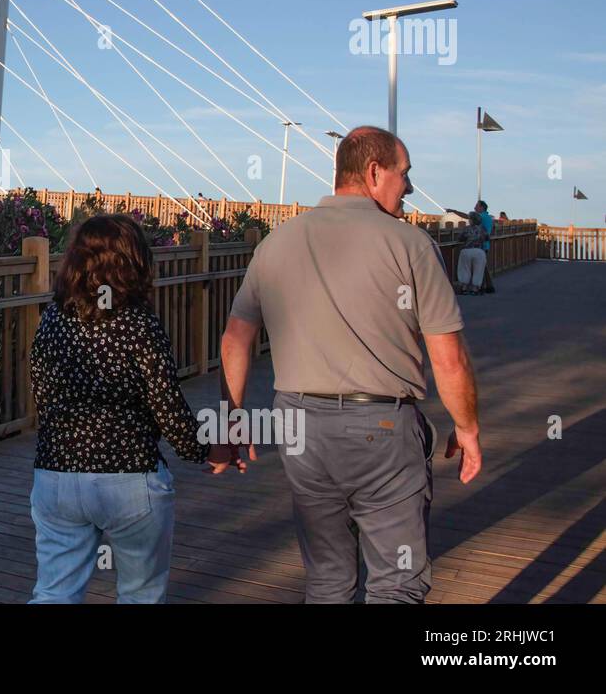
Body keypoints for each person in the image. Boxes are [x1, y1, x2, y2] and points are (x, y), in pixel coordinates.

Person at [217, 125, 482, 603]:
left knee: (327, 580)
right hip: (380, 429)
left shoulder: (277, 242)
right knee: (397, 582)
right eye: (405, 174)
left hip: (298, 428)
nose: (410, 188)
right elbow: (450, 356)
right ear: (375, 172)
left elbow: (235, 340)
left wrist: (233, 420)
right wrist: (466, 428)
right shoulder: (411, 245)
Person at [28, 214, 211, 603]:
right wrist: (205, 451)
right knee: (140, 594)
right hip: (129, 476)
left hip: (57, 474)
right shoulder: (139, 323)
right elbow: (168, 409)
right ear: (135, 261)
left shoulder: (51, 320)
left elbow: (43, 399)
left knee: (53, 593)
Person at [456, 212, 489, 295]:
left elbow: (460, 238)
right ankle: (475, 289)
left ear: (472, 220)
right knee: (478, 270)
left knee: (465, 269)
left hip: (467, 250)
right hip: (479, 251)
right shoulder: (482, 229)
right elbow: (487, 238)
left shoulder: (466, 229)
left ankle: (464, 288)